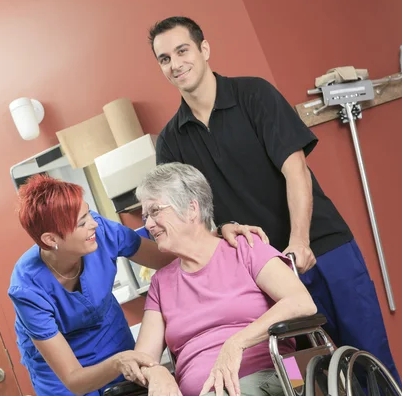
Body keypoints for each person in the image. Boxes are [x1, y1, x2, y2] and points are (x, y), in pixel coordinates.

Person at [146, 16, 401, 386]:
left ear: (204, 49)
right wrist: (221, 228)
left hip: (323, 250)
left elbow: (295, 170)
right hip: (264, 278)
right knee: (311, 381)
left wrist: (300, 241)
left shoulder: (255, 95)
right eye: (164, 58)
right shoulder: (171, 142)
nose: (175, 63)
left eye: (182, 50)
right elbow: (188, 213)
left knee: (369, 362)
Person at [8, 174, 267, 395]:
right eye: (82, 222)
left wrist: (219, 232)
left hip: (112, 340)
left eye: (88, 214)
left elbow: (162, 254)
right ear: (51, 238)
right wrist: (139, 367)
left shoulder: (101, 233)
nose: (94, 223)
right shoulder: (27, 289)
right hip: (63, 373)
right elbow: (73, 379)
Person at [133, 162, 317, 396]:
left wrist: (236, 343)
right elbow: (143, 359)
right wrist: (156, 372)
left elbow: (302, 303)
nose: (148, 224)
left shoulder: (245, 247)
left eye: (155, 211)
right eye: (145, 216)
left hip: (284, 374)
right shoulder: (161, 283)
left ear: (191, 209)